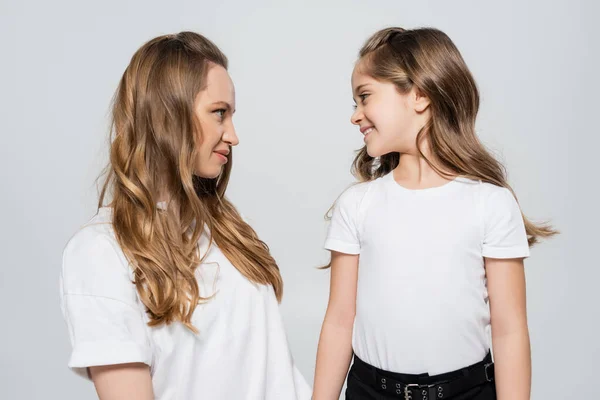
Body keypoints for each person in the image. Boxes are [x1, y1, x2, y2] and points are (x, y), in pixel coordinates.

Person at [60, 31, 311, 400]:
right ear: (167, 114)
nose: (233, 135)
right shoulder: (102, 251)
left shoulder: (224, 229)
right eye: (219, 113)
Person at [313, 27, 556, 400]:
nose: (355, 116)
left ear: (420, 96)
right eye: (354, 103)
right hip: (370, 392)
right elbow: (339, 320)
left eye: (365, 98)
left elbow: (509, 330)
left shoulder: (490, 203)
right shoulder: (357, 204)